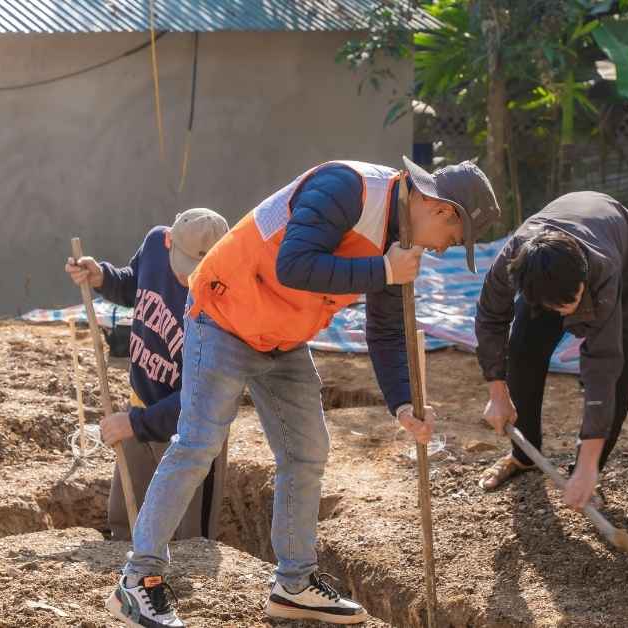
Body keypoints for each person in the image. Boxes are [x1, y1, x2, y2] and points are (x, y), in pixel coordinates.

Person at [106, 158, 500, 628]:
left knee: (308, 450)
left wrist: (402, 403)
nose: (442, 250)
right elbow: (294, 265)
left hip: (282, 336)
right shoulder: (346, 188)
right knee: (197, 443)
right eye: (452, 241)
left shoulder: (399, 246)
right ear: (441, 210)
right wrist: (382, 270)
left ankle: (294, 584)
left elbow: (387, 330)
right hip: (224, 315)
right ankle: (138, 581)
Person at [475, 191, 628, 511]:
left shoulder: (604, 271)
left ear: (583, 282)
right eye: (555, 307)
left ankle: (586, 475)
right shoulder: (514, 261)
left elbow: (602, 365)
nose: (565, 314)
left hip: (624, 253)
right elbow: (491, 317)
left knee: (620, 369)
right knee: (523, 348)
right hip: (551, 262)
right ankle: (524, 455)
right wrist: (497, 391)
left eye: (571, 303)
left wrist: (588, 464)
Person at [66, 208, 229, 541]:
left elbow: (201, 400)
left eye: (202, 271)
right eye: (186, 269)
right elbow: (134, 285)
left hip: (191, 434)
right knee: (126, 522)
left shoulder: (225, 305)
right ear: (169, 240)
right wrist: (103, 278)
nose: (191, 280)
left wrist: (133, 424)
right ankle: (124, 587)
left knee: (185, 538)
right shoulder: (155, 245)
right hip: (142, 404)